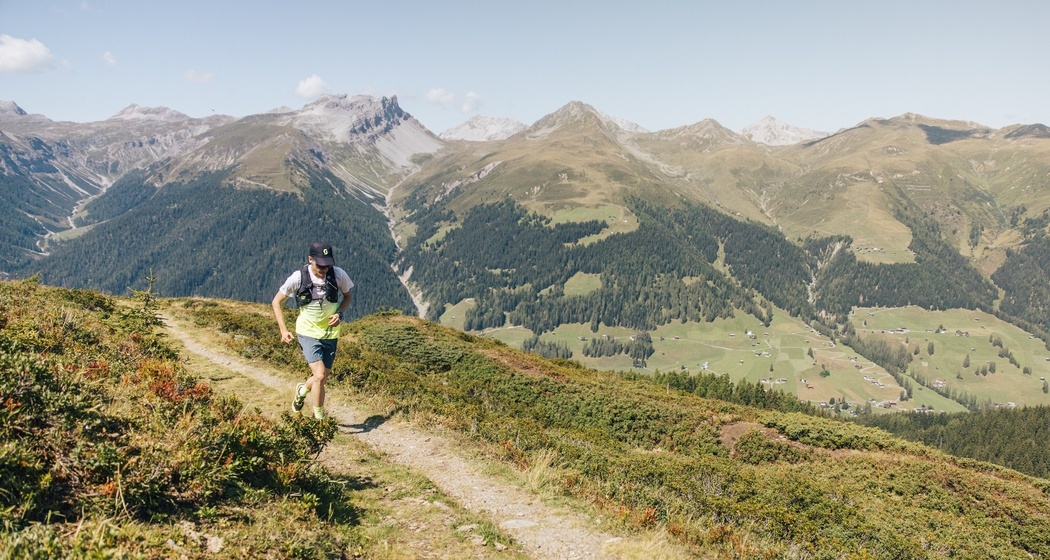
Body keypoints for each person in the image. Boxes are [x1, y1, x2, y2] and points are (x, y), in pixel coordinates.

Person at [271, 241, 353, 420]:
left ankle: (302, 390)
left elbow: (347, 297)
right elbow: (276, 302)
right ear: (310, 260)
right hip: (307, 332)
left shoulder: (338, 275)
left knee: (320, 379)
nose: (324, 269)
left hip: (330, 334)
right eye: (320, 265)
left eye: (328, 264)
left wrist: (340, 313)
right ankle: (319, 419)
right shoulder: (298, 278)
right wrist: (283, 330)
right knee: (320, 374)